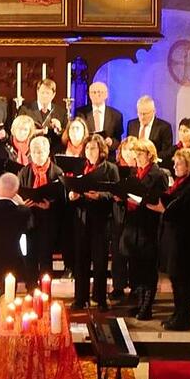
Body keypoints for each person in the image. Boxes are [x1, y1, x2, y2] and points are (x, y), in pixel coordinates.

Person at [116, 136, 169, 320]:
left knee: (148, 268)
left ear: (150, 155)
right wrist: (122, 198)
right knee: (136, 267)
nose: (137, 157)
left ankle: (147, 307)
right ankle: (139, 303)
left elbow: (159, 199)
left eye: (140, 154)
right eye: (135, 154)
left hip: (149, 226)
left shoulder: (158, 175)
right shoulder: (134, 173)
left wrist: (141, 201)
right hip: (133, 225)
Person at [153, 147, 190, 329]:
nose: (174, 166)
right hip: (177, 240)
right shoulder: (182, 183)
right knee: (176, 280)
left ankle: (183, 318)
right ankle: (178, 314)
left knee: (182, 281)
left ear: (188, 166)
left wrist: (164, 211)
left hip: (185, 243)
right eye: (174, 163)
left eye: (179, 163)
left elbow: (184, 215)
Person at [67, 134, 119, 313]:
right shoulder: (80, 167)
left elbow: (115, 193)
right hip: (81, 218)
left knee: (100, 261)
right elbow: (71, 186)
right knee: (81, 261)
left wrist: (100, 196)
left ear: (101, 150)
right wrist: (72, 195)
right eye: (88, 148)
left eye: (94, 148)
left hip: (100, 220)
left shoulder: (110, 168)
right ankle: (80, 299)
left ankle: (100, 298)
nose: (90, 151)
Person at [16, 134, 67, 278]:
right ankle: (31, 287)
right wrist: (22, 203)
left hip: (49, 221)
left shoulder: (57, 172)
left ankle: (45, 288)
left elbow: (62, 200)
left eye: (41, 151)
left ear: (48, 152)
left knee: (45, 258)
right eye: (35, 152)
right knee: (30, 257)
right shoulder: (24, 172)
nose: (38, 155)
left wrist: (50, 205)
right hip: (30, 220)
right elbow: (18, 193)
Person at [128, 95, 174, 161]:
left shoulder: (164, 127)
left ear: (154, 111)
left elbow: (166, 153)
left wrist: (149, 159)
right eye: (140, 113)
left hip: (154, 164)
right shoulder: (131, 125)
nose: (142, 117)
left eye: (145, 114)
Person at [81, 80, 124, 146]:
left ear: (106, 95)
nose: (97, 95)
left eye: (99, 92)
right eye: (94, 92)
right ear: (89, 95)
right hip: (88, 150)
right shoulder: (81, 113)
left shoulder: (116, 115)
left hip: (108, 150)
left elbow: (118, 139)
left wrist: (111, 142)